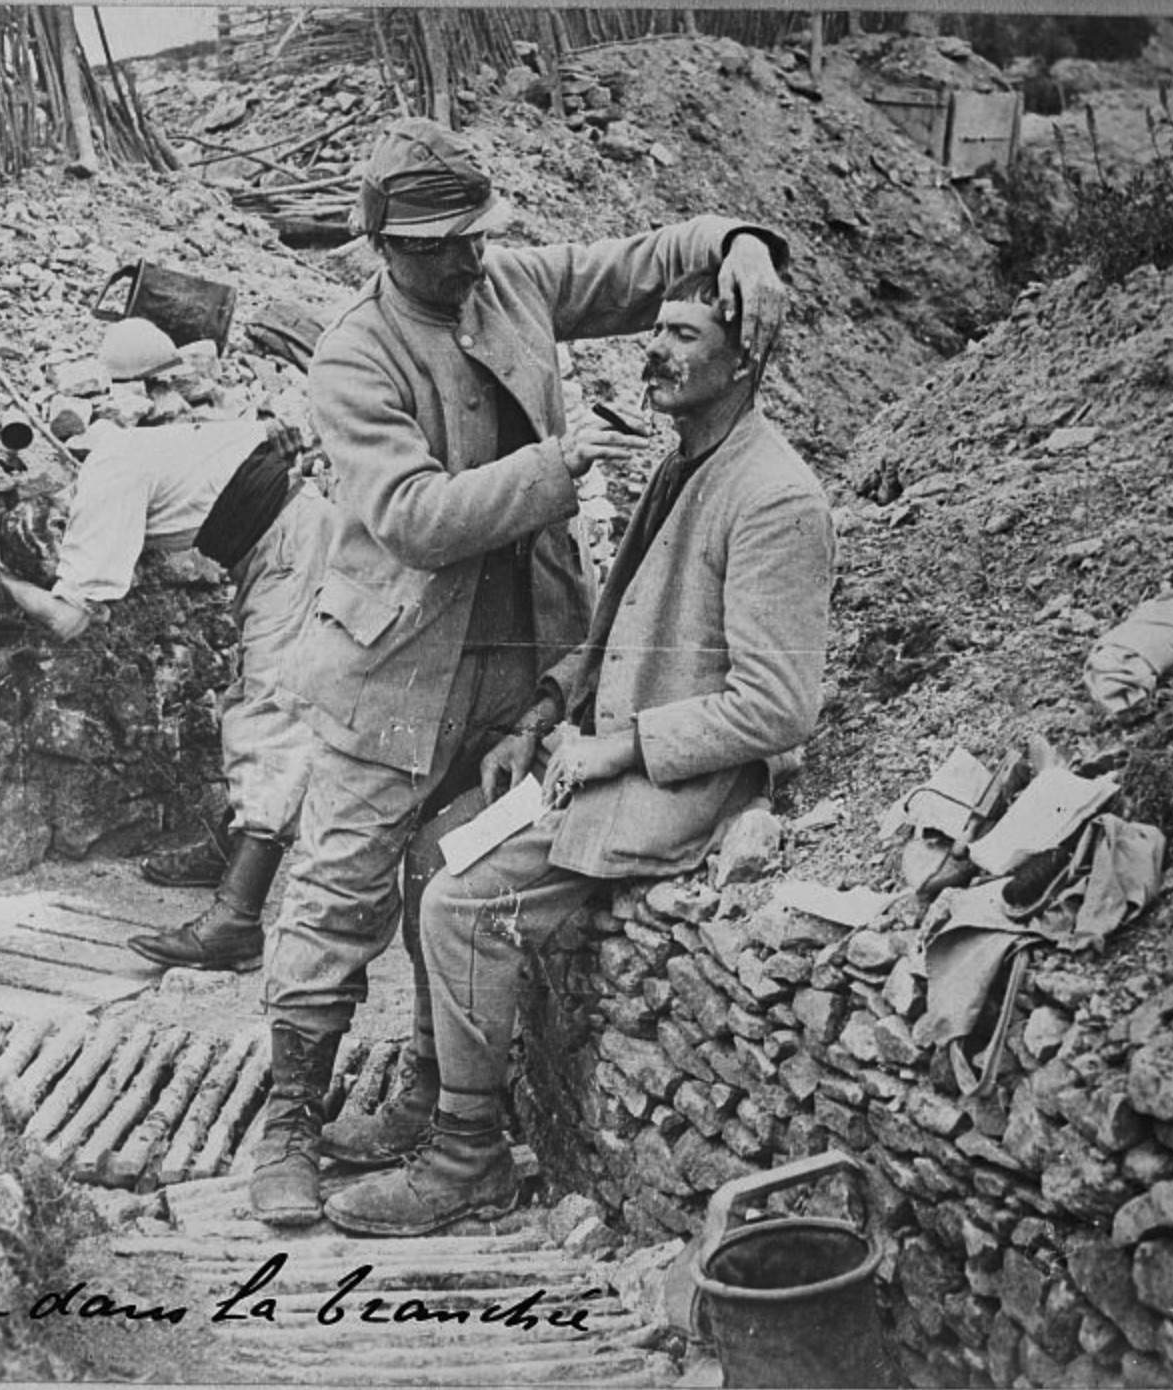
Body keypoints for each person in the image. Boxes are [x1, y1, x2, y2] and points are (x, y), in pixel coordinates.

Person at [249, 115, 791, 1227]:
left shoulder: (514, 283)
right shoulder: (354, 351)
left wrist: (739, 240)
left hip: (523, 652)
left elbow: (648, 265)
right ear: (383, 248)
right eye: (438, 244)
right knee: (338, 890)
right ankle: (289, 1121)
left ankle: (425, 1094)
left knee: (451, 872)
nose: (465, 258)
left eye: (474, 235)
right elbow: (409, 517)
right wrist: (558, 464)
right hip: (395, 664)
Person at [320, 269, 836, 1237]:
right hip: (604, 751)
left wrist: (618, 750)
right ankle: (435, 1089)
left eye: (684, 336)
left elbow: (778, 706)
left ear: (745, 358)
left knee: (465, 901)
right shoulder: (688, 460)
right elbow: (617, 629)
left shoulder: (773, 499)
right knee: (434, 844)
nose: (656, 350)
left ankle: (465, 1155)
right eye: (658, 329)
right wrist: (539, 717)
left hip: (673, 783)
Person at [0, 318, 332, 973]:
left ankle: (236, 922)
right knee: (248, 697)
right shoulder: (115, 457)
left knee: (271, 711)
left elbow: (70, 621)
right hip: (279, 535)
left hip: (290, 541)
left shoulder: (104, 486)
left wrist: (8, 584)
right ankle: (231, 850)